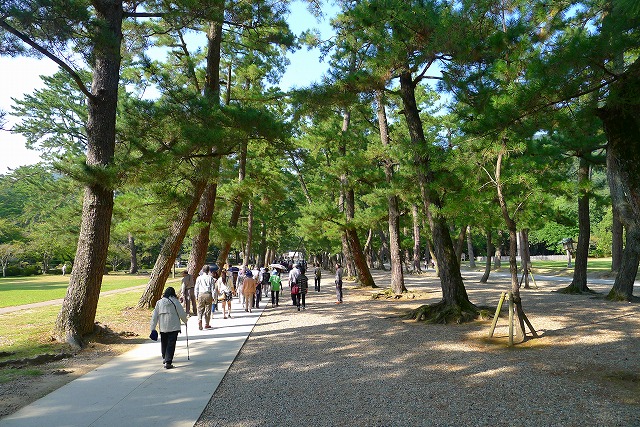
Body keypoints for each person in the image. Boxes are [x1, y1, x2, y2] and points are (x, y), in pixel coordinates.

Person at [150, 287, 188, 369]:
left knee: (164, 342)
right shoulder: (175, 301)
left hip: (163, 326)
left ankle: (164, 357)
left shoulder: (159, 302)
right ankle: (168, 361)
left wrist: (152, 328)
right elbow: (181, 313)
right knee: (171, 343)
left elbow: (154, 316)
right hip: (174, 326)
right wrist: (185, 321)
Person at [195, 265, 215, 330]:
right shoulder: (211, 278)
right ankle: (207, 323)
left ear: (202, 270)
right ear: (208, 270)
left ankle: (200, 319)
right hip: (208, 294)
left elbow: (196, 288)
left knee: (200, 309)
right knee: (208, 309)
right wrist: (214, 296)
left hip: (201, 294)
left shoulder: (199, 278)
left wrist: (196, 295)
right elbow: (213, 288)